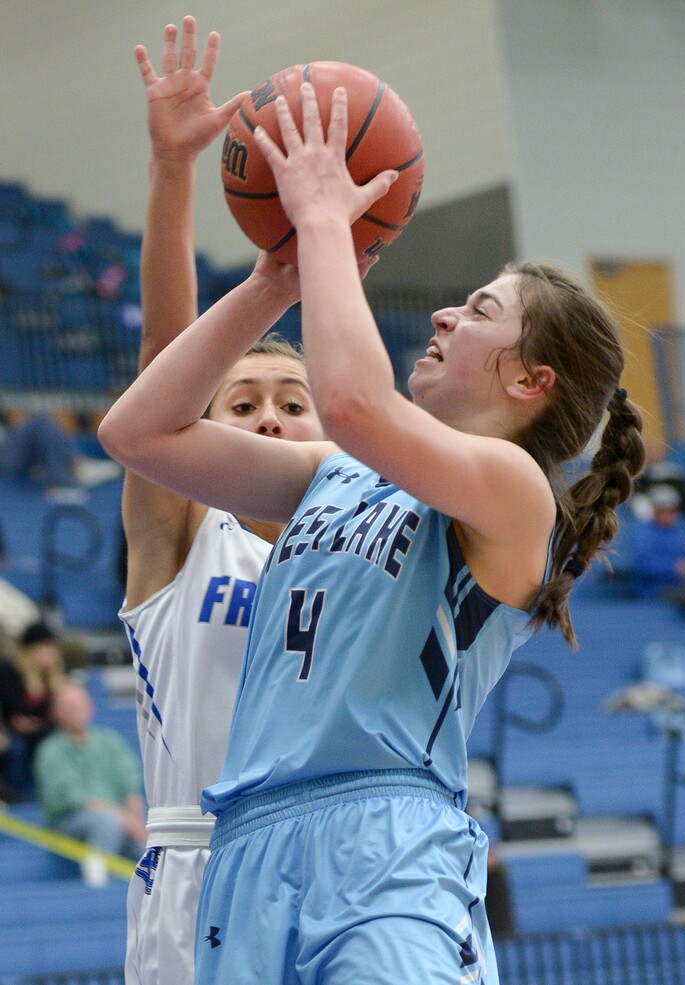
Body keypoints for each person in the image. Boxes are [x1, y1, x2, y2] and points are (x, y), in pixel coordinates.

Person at [99, 83, 645, 985]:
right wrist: (269, 281)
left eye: (477, 312)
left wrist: (320, 224)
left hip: (383, 843)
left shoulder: (516, 493)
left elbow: (352, 402)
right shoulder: (331, 475)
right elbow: (138, 434)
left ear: (530, 381)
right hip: (246, 856)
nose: (441, 315)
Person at [119, 19, 325, 985]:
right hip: (197, 864)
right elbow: (166, 366)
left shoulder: (357, 540)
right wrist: (173, 174)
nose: (271, 419)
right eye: (241, 404)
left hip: (328, 865)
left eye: (294, 403)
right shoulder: (184, 530)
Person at [32, 679, 146, 872]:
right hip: (70, 821)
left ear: (90, 707)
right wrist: (123, 817)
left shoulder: (109, 741)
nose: (75, 712)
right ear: (56, 713)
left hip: (120, 818)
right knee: (107, 823)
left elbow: (131, 783)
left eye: (78, 706)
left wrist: (134, 818)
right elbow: (71, 798)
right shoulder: (50, 751)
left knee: (150, 840)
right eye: (68, 708)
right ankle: (96, 881)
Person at [0, 619, 65, 796]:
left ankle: (53, 792)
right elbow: (9, 708)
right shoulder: (9, 671)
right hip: (10, 731)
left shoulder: (54, 677)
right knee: (16, 748)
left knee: (58, 742)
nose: (51, 653)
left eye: (52, 647)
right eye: (45, 647)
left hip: (42, 730)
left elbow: (58, 714)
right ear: (30, 650)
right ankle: (17, 796)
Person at [628, 483, 685, 606]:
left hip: (683, 585)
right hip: (655, 591)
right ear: (655, 510)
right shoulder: (644, 533)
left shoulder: (681, 530)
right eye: (664, 510)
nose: (668, 514)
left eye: (672, 510)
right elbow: (644, 565)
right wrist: (674, 568)